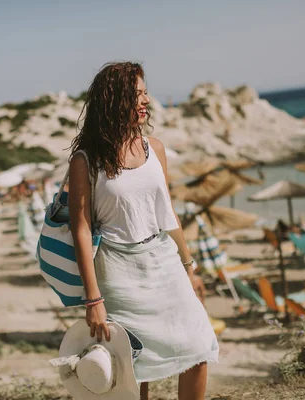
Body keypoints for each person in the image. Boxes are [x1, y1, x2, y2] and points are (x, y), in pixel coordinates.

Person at [68, 62, 218, 400]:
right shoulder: (85, 161)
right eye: (138, 94)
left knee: (198, 346)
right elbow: (81, 229)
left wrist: (188, 266)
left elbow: (168, 213)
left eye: (145, 93)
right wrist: (94, 300)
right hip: (118, 274)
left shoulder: (155, 148)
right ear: (115, 101)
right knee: (131, 369)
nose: (146, 101)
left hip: (163, 262)